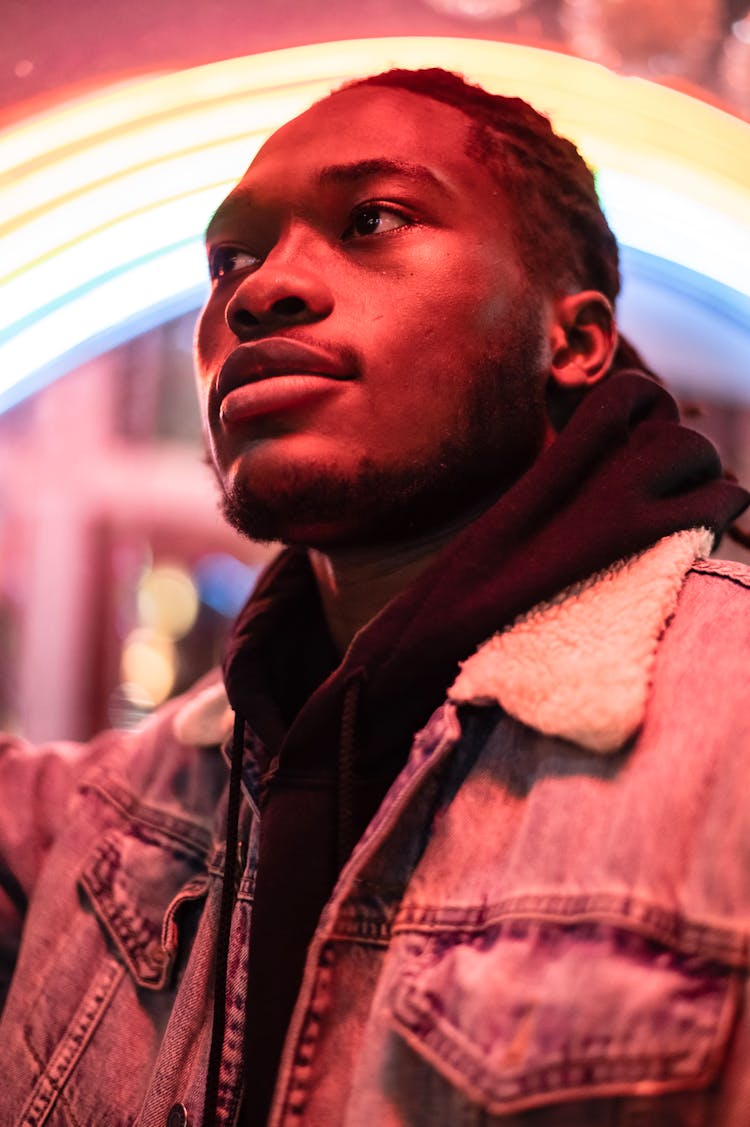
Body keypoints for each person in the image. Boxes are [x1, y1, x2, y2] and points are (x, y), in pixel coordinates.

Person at [1, 66, 749, 1127]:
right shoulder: (115, 812)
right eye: (232, 258)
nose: (259, 290)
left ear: (573, 341)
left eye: (375, 220)